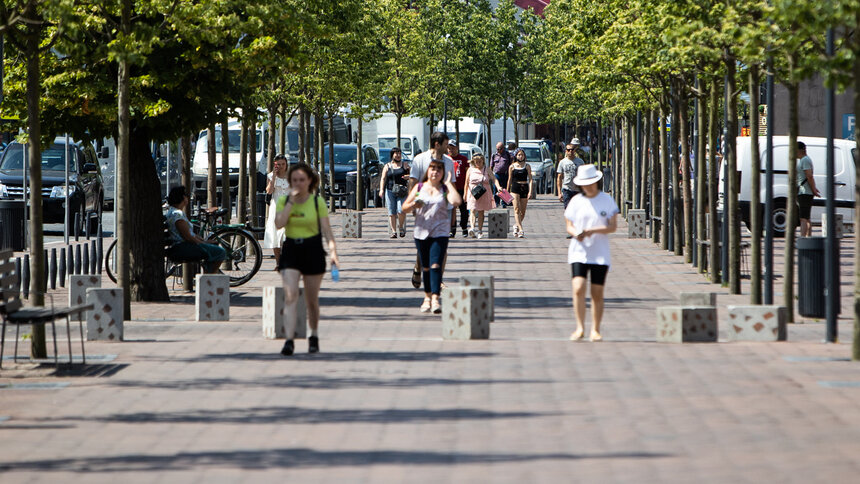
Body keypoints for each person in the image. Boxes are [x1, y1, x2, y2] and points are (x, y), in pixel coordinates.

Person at [274, 163, 339, 356]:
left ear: (309, 181)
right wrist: (291, 203)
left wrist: (334, 252)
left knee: (311, 300)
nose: (298, 184)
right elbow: (279, 224)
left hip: (313, 249)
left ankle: (314, 336)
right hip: (292, 248)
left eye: (302, 180)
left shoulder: (317, 202)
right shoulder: (284, 200)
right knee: (291, 294)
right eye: (294, 180)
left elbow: (327, 231)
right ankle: (289, 340)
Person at [564, 164, 619, 343]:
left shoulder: (607, 200)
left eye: (591, 183)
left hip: (599, 252)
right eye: (585, 184)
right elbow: (569, 225)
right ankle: (580, 327)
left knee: (597, 291)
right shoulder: (576, 202)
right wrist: (577, 233)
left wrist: (593, 230)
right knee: (578, 287)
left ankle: (595, 329)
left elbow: (612, 226)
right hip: (579, 251)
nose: (588, 187)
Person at [402, 159, 462, 313]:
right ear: (427, 171)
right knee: (426, 267)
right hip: (421, 233)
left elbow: (456, 201)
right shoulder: (419, 187)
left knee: (436, 265)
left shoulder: (444, 189)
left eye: (438, 169)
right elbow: (404, 207)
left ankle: (435, 298)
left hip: (440, 233)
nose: (435, 172)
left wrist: (449, 184)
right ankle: (427, 297)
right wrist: (414, 205)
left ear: (442, 173)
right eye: (432, 169)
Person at [408, 132, 454, 288]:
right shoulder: (419, 160)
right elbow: (413, 183)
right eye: (446, 145)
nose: (448, 148)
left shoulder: (449, 162)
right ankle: (418, 266)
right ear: (437, 144)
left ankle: (438, 279)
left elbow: (450, 186)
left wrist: (453, 209)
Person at [165, 186, 227, 273]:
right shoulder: (177, 215)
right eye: (186, 195)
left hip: (181, 246)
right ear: (183, 198)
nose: (187, 198)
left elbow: (191, 235)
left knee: (213, 247)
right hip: (182, 247)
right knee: (220, 252)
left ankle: (208, 276)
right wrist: (204, 243)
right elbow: (188, 237)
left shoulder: (173, 212)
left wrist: (203, 241)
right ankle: (209, 279)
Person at [465, 154, 501, 238]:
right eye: (476, 162)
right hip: (473, 193)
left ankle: (480, 231)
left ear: (483, 161)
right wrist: (465, 193)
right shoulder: (470, 170)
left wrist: (498, 187)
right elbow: (466, 182)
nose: (478, 163)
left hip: (484, 193)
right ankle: (472, 228)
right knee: (472, 210)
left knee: (481, 212)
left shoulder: (486, 169)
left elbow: (494, 179)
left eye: (479, 162)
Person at [264, 154, 290, 268]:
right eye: (278, 164)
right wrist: (273, 177)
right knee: (275, 235)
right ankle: (278, 262)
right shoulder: (270, 176)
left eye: (283, 164)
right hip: (276, 207)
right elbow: (269, 191)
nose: (281, 167)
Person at [378, 147, 410, 238]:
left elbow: (412, 175)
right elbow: (383, 178)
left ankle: (401, 227)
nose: (398, 155)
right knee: (392, 212)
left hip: (402, 191)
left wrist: (408, 176)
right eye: (396, 153)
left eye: (400, 153)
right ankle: (394, 231)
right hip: (390, 191)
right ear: (392, 155)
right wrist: (381, 190)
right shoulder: (387, 166)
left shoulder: (405, 164)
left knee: (401, 210)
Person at [507, 148, 533, 238]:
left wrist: (530, 191)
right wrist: (507, 191)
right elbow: (509, 179)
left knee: (523, 211)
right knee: (516, 209)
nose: (520, 156)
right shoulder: (512, 166)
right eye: (519, 155)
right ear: (515, 156)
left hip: (524, 187)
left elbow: (530, 179)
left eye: (522, 155)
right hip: (515, 187)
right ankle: (521, 229)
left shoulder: (527, 166)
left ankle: (516, 225)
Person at [796, 141, 819, 237]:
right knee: (807, 217)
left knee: (803, 218)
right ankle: (808, 237)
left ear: (800, 150)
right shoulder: (803, 160)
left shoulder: (805, 160)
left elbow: (809, 176)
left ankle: (803, 238)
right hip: (804, 191)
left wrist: (813, 190)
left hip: (805, 192)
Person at [448, 141, 469, 237]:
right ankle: (452, 229)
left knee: (463, 210)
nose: (451, 150)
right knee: (451, 210)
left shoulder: (463, 159)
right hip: (451, 189)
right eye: (449, 148)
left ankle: (464, 227)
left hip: (462, 188)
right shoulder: (446, 159)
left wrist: (468, 188)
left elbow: (468, 173)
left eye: (453, 148)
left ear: (457, 148)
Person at [557, 142, 586, 209]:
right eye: (568, 150)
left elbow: (584, 176)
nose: (570, 151)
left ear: (574, 151)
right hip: (567, 188)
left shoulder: (580, 162)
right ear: (566, 151)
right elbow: (559, 177)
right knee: (568, 209)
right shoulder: (562, 162)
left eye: (572, 150)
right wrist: (559, 193)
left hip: (577, 189)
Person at [490, 142, 512, 207]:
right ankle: (496, 203)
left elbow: (511, 164)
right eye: (497, 149)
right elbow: (491, 166)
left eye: (500, 149)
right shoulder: (494, 155)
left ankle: (504, 203)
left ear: (503, 148)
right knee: (496, 189)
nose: (498, 150)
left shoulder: (507, 155)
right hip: (497, 174)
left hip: (505, 174)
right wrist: (491, 175)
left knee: (504, 189)